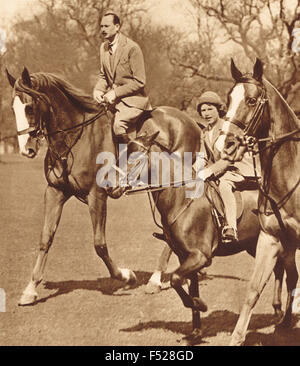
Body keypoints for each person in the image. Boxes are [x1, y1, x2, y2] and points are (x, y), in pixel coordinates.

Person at [196, 91, 256, 243]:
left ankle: (231, 227)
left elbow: (228, 160)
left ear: (219, 109)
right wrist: (194, 171)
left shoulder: (229, 128)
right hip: (220, 170)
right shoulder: (204, 133)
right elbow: (202, 157)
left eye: (210, 108)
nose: (206, 113)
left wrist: (209, 171)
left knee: (224, 185)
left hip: (240, 168)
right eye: (203, 110)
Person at [93, 10, 151, 144]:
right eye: (101, 26)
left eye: (106, 26)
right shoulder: (103, 47)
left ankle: (129, 161)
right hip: (113, 101)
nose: (102, 29)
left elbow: (140, 81)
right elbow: (103, 76)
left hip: (134, 101)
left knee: (118, 124)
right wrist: (98, 90)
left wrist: (115, 92)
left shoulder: (132, 48)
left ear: (117, 27)